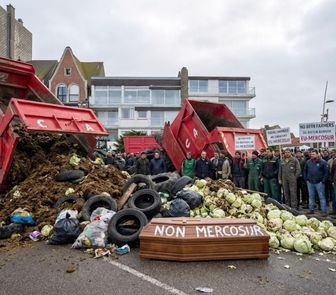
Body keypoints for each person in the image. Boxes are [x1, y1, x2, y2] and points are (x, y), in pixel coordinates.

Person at [303, 150, 328, 216]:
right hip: (310, 182)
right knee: (311, 196)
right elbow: (305, 170)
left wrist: (323, 181)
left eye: (313, 154)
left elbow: (326, 173)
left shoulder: (323, 162)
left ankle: (323, 211)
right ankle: (311, 210)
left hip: (319, 183)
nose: (312, 155)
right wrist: (306, 179)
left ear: (317, 154)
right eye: (311, 154)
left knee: (321, 197)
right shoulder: (308, 162)